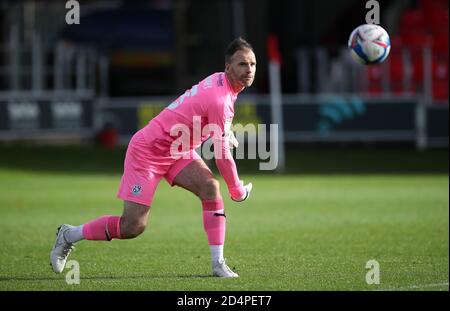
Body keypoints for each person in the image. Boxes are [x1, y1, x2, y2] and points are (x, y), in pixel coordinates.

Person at [50, 37, 256, 278]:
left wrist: (223, 132)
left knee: (210, 187)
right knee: (132, 227)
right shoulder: (221, 98)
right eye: (242, 64)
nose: (249, 70)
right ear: (228, 67)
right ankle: (69, 234)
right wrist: (237, 190)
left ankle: (217, 264)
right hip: (147, 151)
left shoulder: (223, 85)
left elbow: (202, 114)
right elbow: (221, 156)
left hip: (177, 150)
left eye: (252, 64)